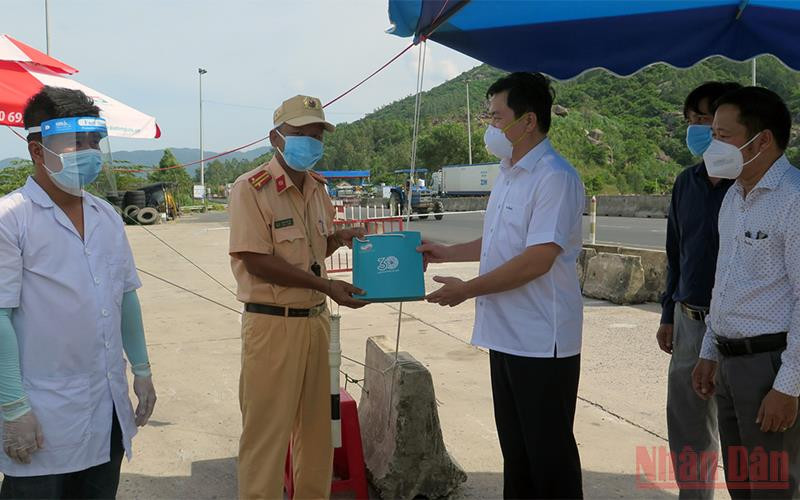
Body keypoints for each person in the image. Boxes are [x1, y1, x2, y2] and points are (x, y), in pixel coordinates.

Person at [418, 72, 585, 499]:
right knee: (517, 454)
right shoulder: (509, 174)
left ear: (528, 121)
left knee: (549, 459)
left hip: (540, 341)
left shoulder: (554, 177)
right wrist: (446, 251)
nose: (490, 126)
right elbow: (497, 240)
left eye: (496, 117)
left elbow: (537, 260)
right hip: (506, 336)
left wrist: (467, 289)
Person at [0, 86, 156, 498]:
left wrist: (142, 370)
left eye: (94, 143)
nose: (89, 153)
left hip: (107, 408)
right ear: (37, 151)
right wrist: (13, 407)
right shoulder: (11, 219)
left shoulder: (106, 216)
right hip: (42, 415)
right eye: (76, 143)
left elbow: (125, 296)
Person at [228, 94, 368, 499]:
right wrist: (326, 287)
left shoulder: (317, 188)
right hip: (273, 325)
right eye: (301, 132)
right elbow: (256, 260)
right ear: (276, 137)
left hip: (315, 322)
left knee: (318, 433)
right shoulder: (252, 189)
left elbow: (312, 251)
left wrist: (339, 238)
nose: (311, 141)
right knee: (266, 436)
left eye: (317, 134)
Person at [692, 86, 800, 498]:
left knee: (773, 489)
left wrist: (788, 386)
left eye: (723, 135)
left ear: (762, 140)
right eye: (712, 135)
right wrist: (709, 350)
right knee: (741, 486)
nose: (713, 145)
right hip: (729, 363)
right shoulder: (734, 198)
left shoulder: (793, 199)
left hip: (770, 366)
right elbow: (724, 281)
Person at [658, 81, 741, 497]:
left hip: (740, 328)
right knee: (689, 425)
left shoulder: (751, 185)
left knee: (743, 429)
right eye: (691, 120)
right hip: (689, 320)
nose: (696, 128)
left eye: (704, 119)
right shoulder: (685, 183)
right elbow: (676, 253)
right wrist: (667, 313)